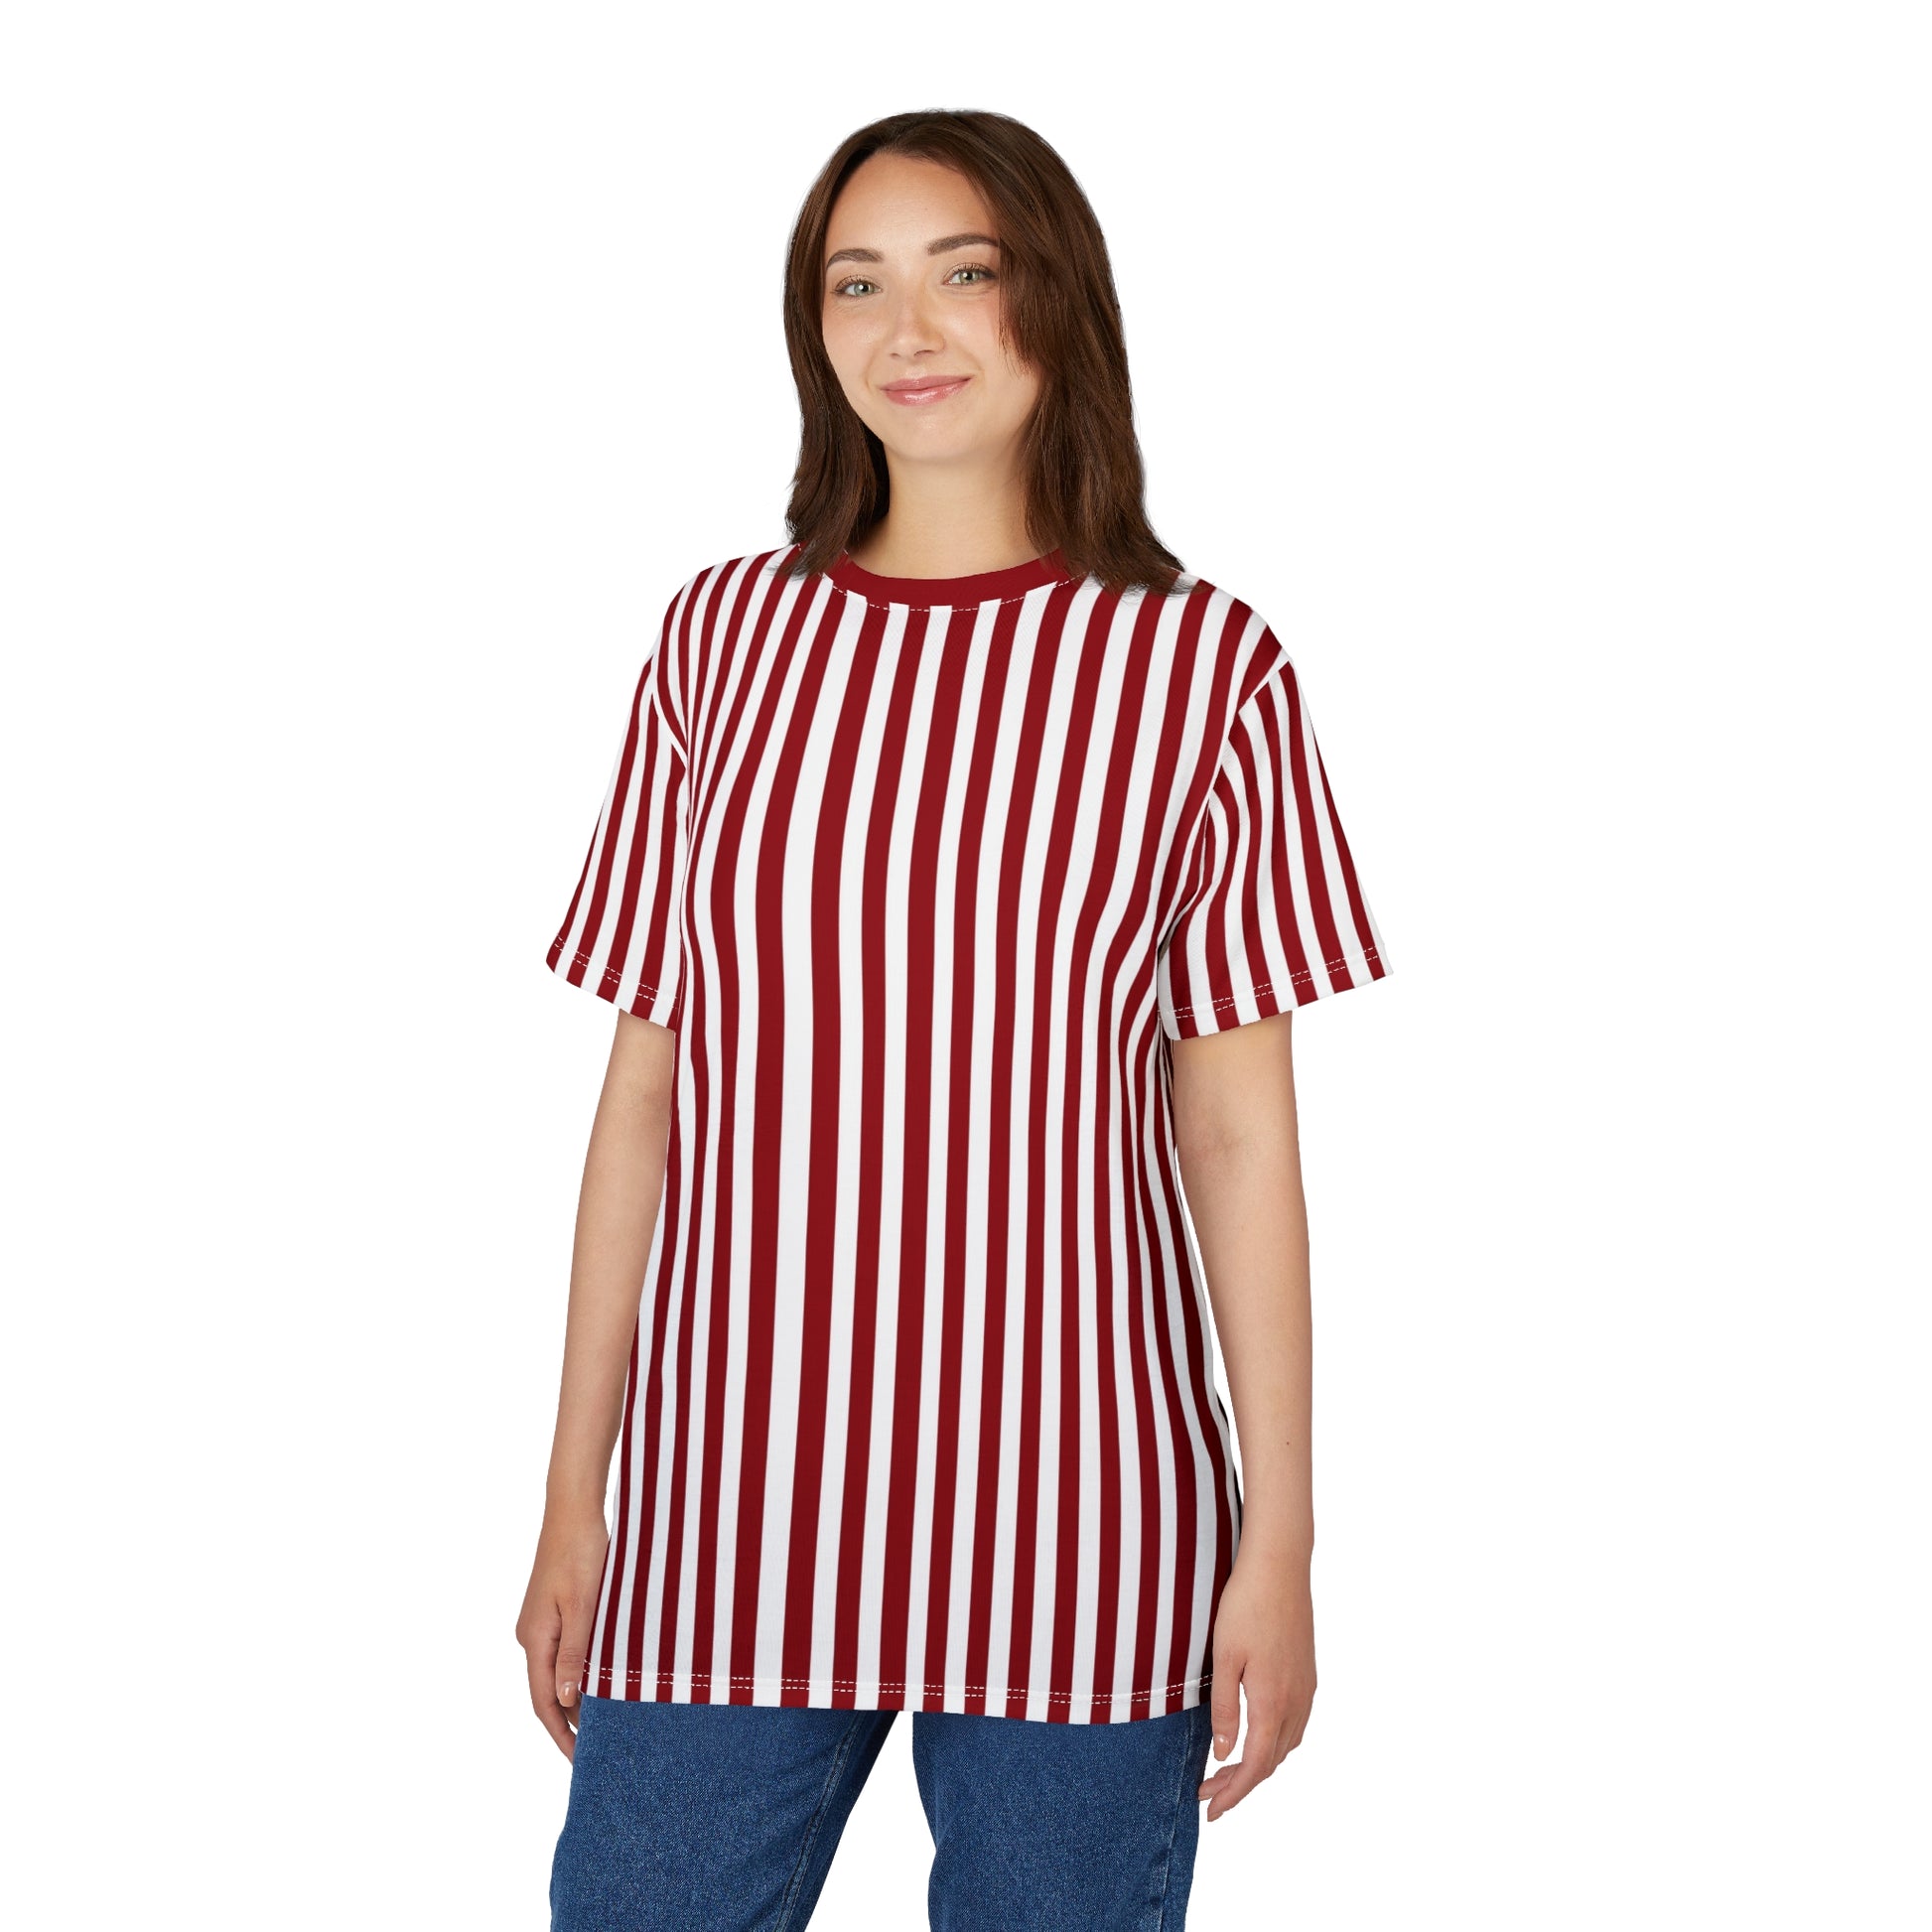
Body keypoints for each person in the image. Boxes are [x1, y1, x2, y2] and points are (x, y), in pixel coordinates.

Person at [517, 107, 1393, 1931]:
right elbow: (647, 1088)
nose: (905, 330)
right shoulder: (719, 642)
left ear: (1054, 302)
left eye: (963, 273)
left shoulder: (1203, 670)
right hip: (728, 1500)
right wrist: (571, 1493)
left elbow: (1237, 1133)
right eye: (856, 285)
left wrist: (1283, 1536)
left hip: (1087, 1510)